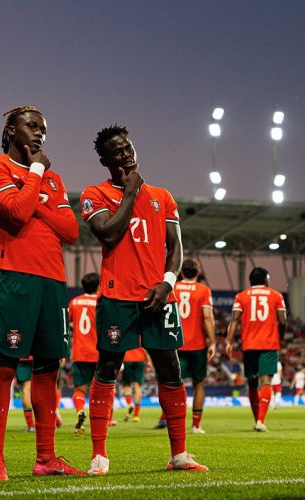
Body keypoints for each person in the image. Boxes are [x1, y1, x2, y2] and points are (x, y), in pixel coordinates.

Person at [80, 124, 207, 475]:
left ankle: (179, 454)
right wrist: (130, 195)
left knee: (170, 368)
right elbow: (107, 232)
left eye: (129, 148)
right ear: (105, 160)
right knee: (108, 369)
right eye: (118, 152)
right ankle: (99, 455)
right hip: (116, 297)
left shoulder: (163, 197)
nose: (126, 155)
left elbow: (176, 246)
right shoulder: (94, 194)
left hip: (158, 297)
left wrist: (168, 283)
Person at [0, 106, 83, 481]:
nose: (39, 134)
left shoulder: (53, 181)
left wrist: (36, 196)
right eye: (32, 126)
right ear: (11, 130)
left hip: (53, 278)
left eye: (43, 129)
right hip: (14, 275)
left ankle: (46, 459)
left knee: (48, 368)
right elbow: (16, 214)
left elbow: (71, 231)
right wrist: (36, 176)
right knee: (5, 365)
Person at [154, 259, 215, 433]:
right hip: (197, 344)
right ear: (197, 273)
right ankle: (196, 425)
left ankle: (166, 419)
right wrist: (213, 342)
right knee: (199, 384)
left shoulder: (171, 288)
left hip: (174, 342)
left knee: (169, 383)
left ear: (181, 273)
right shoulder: (203, 290)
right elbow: (208, 316)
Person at [226, 267, 287, 432]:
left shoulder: (241, 296)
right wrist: (280, 336)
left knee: (252, 383)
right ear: (266, 280)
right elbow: (282, 320)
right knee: (266, 380)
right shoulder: (277, 295)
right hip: (269, 343)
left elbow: (234, 320)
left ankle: (257, 419)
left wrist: (229, 341)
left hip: (249, 344)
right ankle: (260, 420)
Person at [69, 273, 100, 436]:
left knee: (79, 389)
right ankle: (103, 421)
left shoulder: (74, 302)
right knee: (101, 389)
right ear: (98, 286)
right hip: (98, 352)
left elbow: (69, 323)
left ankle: (80, 410)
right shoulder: (101, 302)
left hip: (80, 352)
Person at [121, 347, 147, 423]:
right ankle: (136, 415)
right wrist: (149, 361)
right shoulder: (142, 334)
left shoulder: (125, 334)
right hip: (140, 359)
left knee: (127, 385)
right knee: (137, 386)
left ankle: (129, 404)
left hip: (127, 358)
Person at [16, 356, 35, 432]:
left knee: (26, 390)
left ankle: (31, 426)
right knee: (42, 389)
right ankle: (52, 418)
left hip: (23, 355)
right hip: (39, 354)